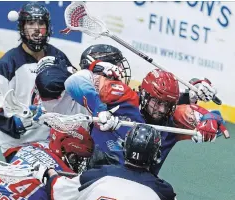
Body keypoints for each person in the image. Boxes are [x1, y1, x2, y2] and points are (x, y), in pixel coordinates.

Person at [64, 44, 229, 175]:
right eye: (156, 102)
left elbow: (212, 118)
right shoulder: (122, 96)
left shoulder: (174, 119)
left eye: (167, 104)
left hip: (141, 188)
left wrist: (209, 122)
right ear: (144, 95)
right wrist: (100, 110)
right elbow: (74, 81)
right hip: (96, 178)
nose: (161, 110)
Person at [0, 2, 73, 161]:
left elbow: (74, 92)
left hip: (54, 141)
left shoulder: (58, 57)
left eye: (41, 23)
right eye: (31, 23)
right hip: (19, 144)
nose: (37, 28)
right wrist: (16, 124)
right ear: (22, 28)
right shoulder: (7, 65)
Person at [34, 124, 177, 200]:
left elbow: (58, 191)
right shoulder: (164, 192)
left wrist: (48, 172)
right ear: (155, 155)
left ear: (126, 147)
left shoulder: (100, 174)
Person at [0, 126, 94, 200]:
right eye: (77, 158)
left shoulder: (29, 147)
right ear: (67, 152)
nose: (79, 163)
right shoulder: (62, 176)